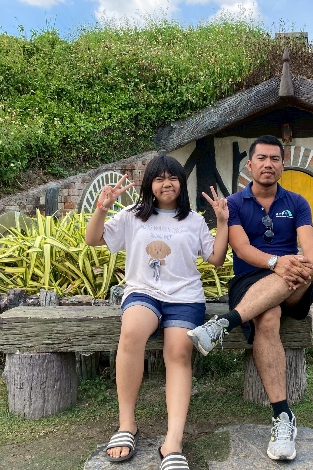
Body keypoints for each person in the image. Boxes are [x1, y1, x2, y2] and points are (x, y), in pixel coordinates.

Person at [85, 155, 229, 469]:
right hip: (144, 292)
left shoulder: (192, 220)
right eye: (159, 178)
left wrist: (221, 221)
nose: (167, 184)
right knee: (131, 333)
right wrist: (103, 208)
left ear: (181, 183)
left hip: (185, 297)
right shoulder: (132, 216)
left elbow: (216, 259)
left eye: (173, 178)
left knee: (179, 351)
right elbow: (92, 239)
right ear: (150, 183)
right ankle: (127, 425)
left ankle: (173, 441)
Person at [187, 135, 313, 462]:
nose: (268, 164)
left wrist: (309, 266)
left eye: (275, 159)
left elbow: (310, 250)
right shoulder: (234, 203)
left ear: (282, 165)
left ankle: (223, 324)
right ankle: (283, 416)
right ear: (250, 165)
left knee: (300, 271)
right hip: (249, 281)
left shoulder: (297, 202)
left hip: (293, 284)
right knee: (268, 315)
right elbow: (242, 248)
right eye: (261, 158)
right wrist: (277, 262)